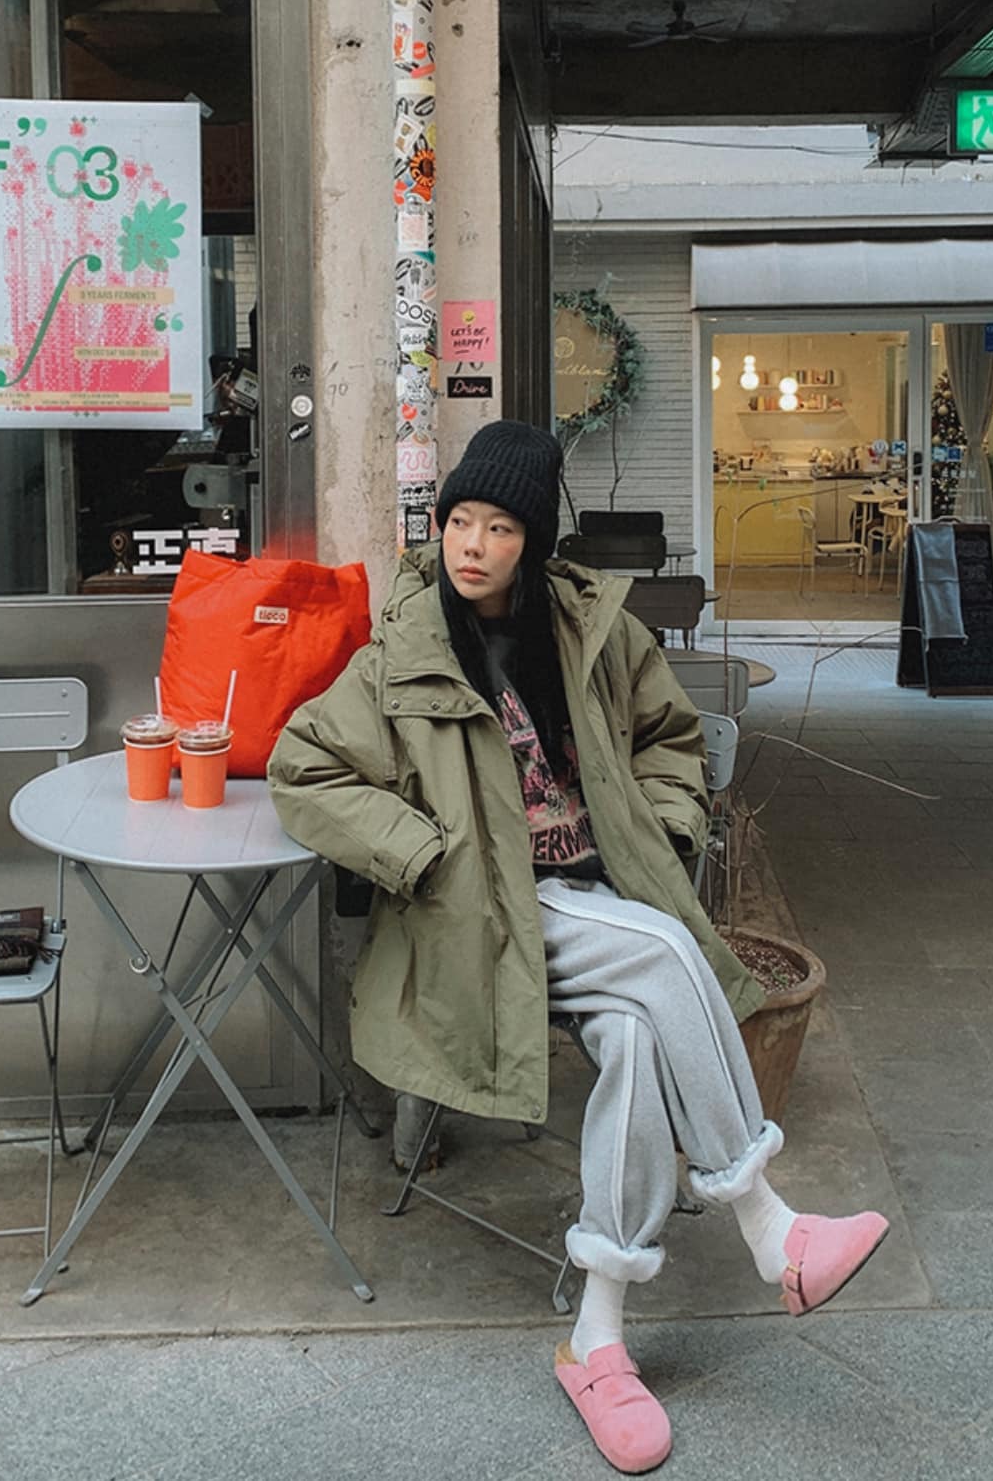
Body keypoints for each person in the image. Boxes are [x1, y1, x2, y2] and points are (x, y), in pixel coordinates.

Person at [269, 422, 887, 1475]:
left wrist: (665, 830)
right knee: (666, 953)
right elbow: (303, 769)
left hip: (601, 898)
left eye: (499, 527)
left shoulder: (592, 629)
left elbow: (671, 738)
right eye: (459, 521)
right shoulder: (405, 650)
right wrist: (425, 854)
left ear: (533, 541)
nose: (472, 545)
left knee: (639, 1039)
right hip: (484, 916)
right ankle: (767, 1220)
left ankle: (596, 1341)